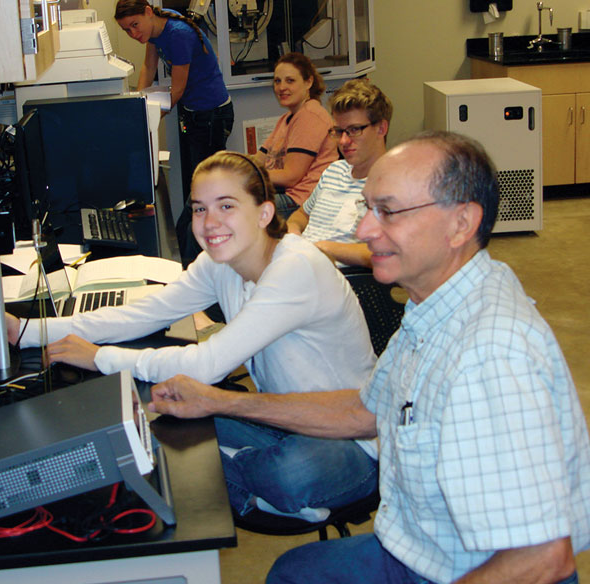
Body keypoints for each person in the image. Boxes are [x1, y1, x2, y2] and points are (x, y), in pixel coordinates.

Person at [149, 131, 590, 584]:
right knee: (292, 573)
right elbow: (366, 409)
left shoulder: (491, 354)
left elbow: (542, 559)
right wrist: (221, 402)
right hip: (416, 547)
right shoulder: (434, 306)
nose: (363, 230)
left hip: (462, 571)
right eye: (368, 208)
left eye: (389, 212)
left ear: (461, 223)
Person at [5, 151, 377, 520]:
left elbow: (207, 365)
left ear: (264, 213)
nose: (209, 222)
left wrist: (100, 357)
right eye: (199, 209)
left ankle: (255, 487)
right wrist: (26, 332)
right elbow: (145, 314)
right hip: (277, 418)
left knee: (287, 474)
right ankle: (254, 488)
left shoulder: (296, 267)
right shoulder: (222, 261)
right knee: (162, 424)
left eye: (226, 206)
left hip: (350, 438)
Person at [115, 0, 234, 265]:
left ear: (148, 12)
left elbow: (177, 90)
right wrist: (137, 102)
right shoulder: (156, 30)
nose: (133, 34)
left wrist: (144, 119)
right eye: (126, 30)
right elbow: (147, 68)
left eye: (135, 25)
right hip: (195, 113)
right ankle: (196, 257)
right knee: (198, 189)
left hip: (211, 115)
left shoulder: (178, 34)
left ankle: (191, 260)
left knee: (203, 192)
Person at [286, 78, 392, 268]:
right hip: (301, 266)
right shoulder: (334, 171)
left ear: (381, 128)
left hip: (339, 282)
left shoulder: (395, 184)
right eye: (338, 131)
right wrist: (292, 231)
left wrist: (323, 249)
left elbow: (388, 252)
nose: (343, 141)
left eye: (353, 130)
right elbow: (301, 215)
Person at [254, 52, 338, 219]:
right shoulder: (286, 118)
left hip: (299, 201)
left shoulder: (311, 116)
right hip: (281, 193)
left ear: (308, 82)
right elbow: (258, 159)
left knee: (227, 212)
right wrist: (229, 166)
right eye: (277, 81)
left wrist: (246, 175)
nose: (281, 87)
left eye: (290, 81)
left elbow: (290, 177)